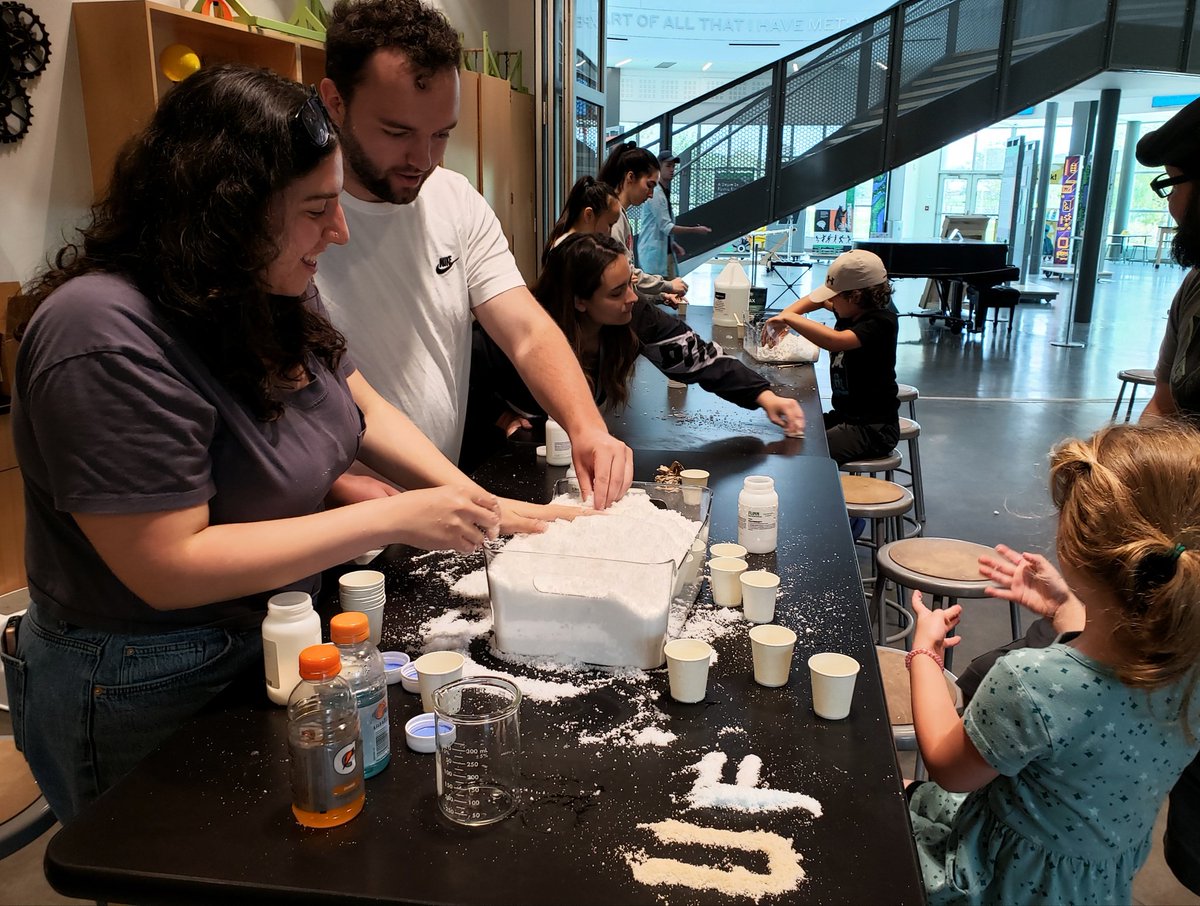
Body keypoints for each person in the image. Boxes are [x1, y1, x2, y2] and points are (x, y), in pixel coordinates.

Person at [0, 65, 567, 824]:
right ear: (228, 213)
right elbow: (167, 564)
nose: (337, 232)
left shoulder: (265, 288)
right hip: (139, 676)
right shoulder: (101, 334)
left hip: (266, 635)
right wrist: (391, 518)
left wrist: (474, 499)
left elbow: (360, 404)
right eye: (316, 209)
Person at [958, 97, 1200, 896]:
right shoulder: (1195, 289)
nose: (1173, 203)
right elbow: (1164, 405)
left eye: (1176, 182)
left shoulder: (1037, 690)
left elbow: (949, 768)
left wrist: (928, 657)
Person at [315, 0, 631, 508]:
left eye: (441, 134)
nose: (423, 159)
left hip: (445, 496)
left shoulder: (454, 197)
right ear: (334, 101)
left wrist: (586, 426)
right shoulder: (296, 219)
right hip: (334, 512)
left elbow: (525, 330)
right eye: (397, 133)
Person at [905, 421, 1200, 906]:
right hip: (1094, 885)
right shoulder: (1188, 670)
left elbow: (947, 765)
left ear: (1072, 546)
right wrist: (1067, 609)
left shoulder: (1030, 683)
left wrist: (925, 656)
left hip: (1003, 881)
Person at [464, 233, 804, 462]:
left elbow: (699, 358)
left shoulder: (634, 314)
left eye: (630, 283)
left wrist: (765, 396)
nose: (631, 298)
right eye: (615, 292)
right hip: (502, 452)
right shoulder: (521, 324)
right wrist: (499, 416)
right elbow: (460, 373)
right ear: (579, 301)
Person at [761, 250, 898, 464]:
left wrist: (789, 318)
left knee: (805, 453)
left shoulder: (881, 323)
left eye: (835, 295)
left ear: (856, 296)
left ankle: (822, 496)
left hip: (872, 429)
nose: (830, 301)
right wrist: (782, 318)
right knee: (789, 431)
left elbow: (835, 341)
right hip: (845, 417)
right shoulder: (850, 309)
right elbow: (814, 301)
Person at [598, 142, 688, 307]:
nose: (651, 194)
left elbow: (629, 278)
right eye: (649, 185)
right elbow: (624, 273)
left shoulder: (621, 216)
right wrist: (668, 286)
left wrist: (661, 295)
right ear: (630, 177)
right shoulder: (614, 219)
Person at [635, 150, 712, 279]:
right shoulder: (656, 194)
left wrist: (672, 244)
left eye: (673, 166)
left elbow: (662, 227)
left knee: (670, 289)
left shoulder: (663, 192)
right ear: (658, 167)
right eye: (668, 166)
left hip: (662, 253)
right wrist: (696, 230)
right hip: (654, 256)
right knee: (659, 291)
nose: (672, 170)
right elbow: (667, 227)